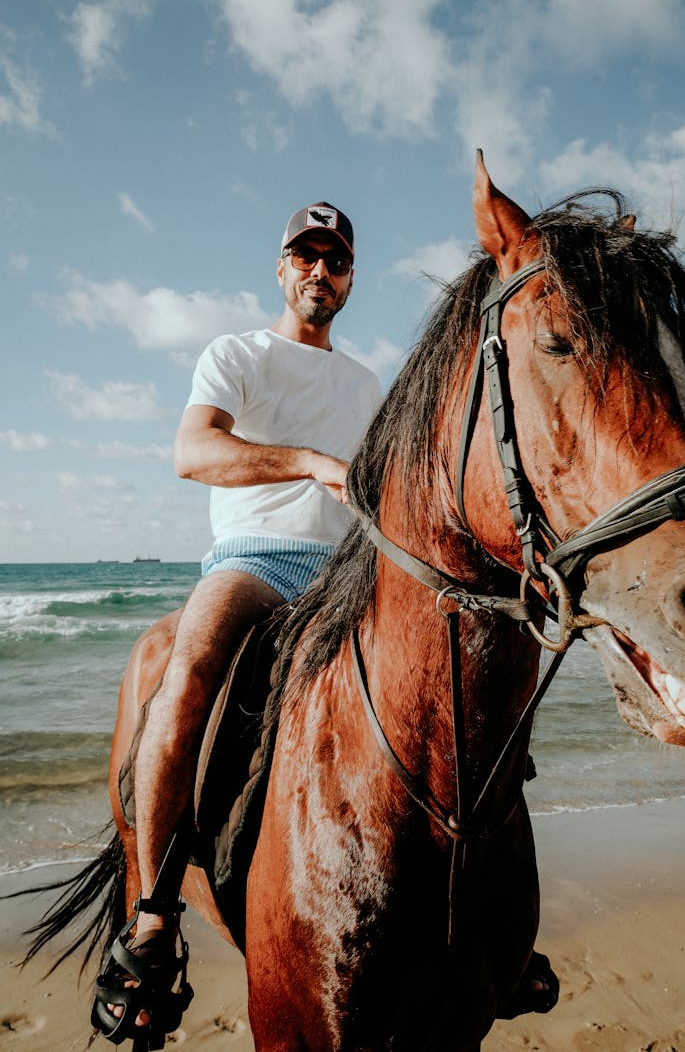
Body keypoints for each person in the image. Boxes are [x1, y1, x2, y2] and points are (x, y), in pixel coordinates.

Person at [93, 201, 382, 1043]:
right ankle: (153, 914)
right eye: (305, 255)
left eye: (334, 259)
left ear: (351, 277)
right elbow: (193, 453)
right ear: (281, 267)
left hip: (344, 571)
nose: (318, 270)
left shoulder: (365, 383)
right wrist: (307, 460)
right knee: (187, 667)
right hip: (255, 559)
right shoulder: (237, 354)